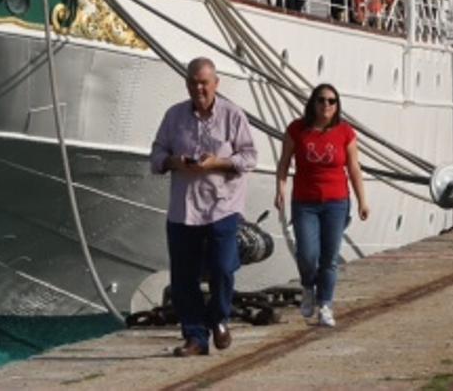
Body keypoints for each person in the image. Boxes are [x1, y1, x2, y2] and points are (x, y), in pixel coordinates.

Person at [150, 57, 258, 356]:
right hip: (184, 208)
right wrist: (172, 161)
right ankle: (196, 336)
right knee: (184, 277)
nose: (199, 88)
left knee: (223, 267)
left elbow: (249, 157)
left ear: (216, 84)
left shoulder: (232, 115)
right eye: (194, 82)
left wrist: (218, 163)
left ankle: (219, 317)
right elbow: (156, 152)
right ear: (186, 84)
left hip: (222, 206)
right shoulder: (174, 116)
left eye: (204, 82)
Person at [274, 84, 369, 328]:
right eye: (321, 100)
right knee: (307, 254)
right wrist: (280, 189)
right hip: (305, 202)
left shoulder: (345, 132)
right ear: (312, 103)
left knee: (329, 258)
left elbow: (354, 169)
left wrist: (362, 201)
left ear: (337, 105)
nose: (326, 105)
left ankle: (325, 304)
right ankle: (308, 286)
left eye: (331, 101)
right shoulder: (297, 130)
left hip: (336, 202)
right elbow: (284, 162)